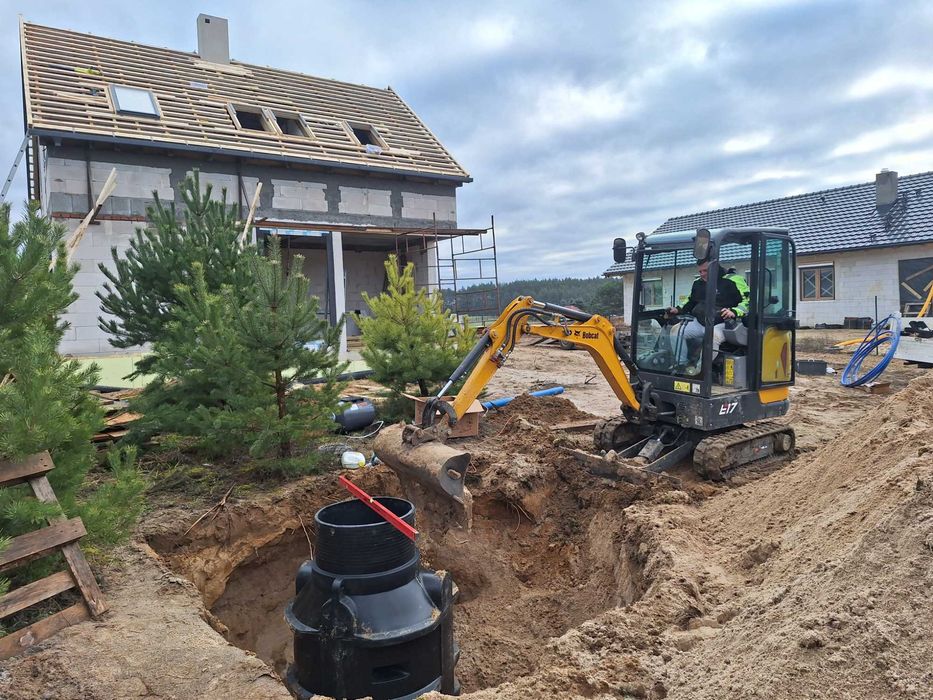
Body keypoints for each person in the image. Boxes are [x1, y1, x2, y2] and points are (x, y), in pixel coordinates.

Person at [666, 260, 750, 371]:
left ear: (715, 268)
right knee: (676, 331)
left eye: (705, 271)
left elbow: (748, 300)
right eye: (700, 271)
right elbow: (690, 301)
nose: (702, 274)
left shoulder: (733, 280)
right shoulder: (698, 283)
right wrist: (677, 309)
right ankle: (682, 365)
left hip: (724, 324)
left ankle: (699, 370)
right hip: (701, 322)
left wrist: (734, 311)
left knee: (712, 336)